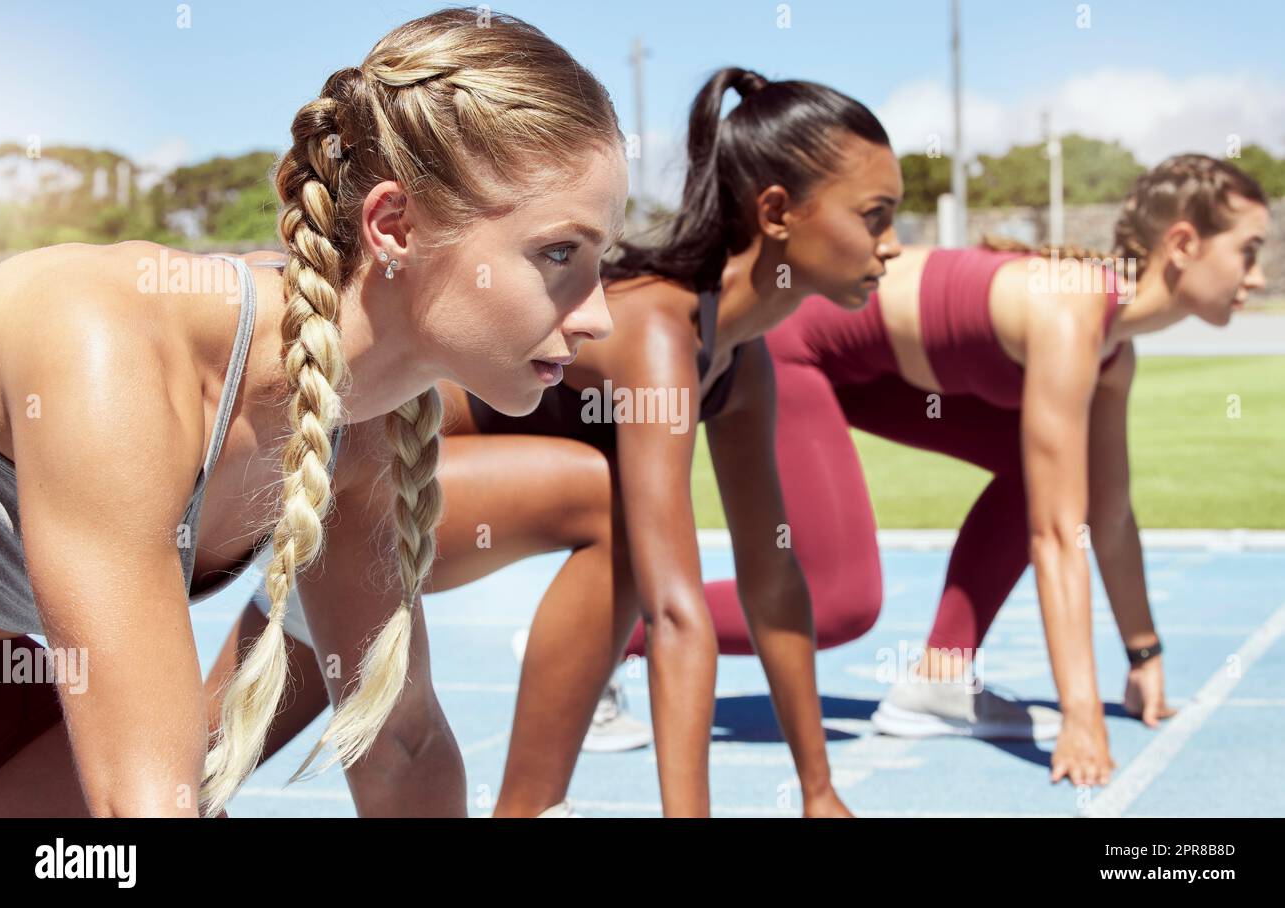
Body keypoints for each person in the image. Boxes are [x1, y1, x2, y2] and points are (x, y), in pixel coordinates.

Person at [207, 67, 903, 817]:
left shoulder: (741, 364)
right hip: (383, 476)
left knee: (198, 763)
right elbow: (674, 610)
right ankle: (531, 808)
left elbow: (772, 580)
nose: (892, 245)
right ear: (777, 213)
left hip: (379, 495)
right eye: (875, 215)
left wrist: (819, 792)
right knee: (618, 513)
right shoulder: (660, 334)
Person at [0, 7, 625, 818]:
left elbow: (402, 744)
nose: (598, 315)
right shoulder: (108, 347)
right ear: (395, 225)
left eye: (601, 260)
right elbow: (141, 810)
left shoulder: (359, 434)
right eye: (559, 253)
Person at [615, 153, 1269, 789]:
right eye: (1248, 250)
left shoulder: (1112, 353)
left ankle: (940, 675)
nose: (1258, 276)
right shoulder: (1071, 310)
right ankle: (609, 638)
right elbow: (1053, 533)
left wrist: (1143, 652)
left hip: (872, 371)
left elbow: (1110, 513)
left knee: (1047, 471)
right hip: (797, 345)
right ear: (1182, 243)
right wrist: (1081, 715)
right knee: (840, 602)